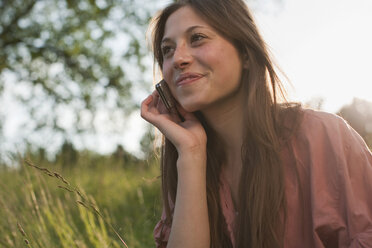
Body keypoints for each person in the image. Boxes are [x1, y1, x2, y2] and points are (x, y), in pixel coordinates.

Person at [140, 0, 372, 247]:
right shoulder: (185, 165)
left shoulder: (325, 137)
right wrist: (191, 154)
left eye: (197, 38)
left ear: (246, 54)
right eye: (167, 50)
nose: (178, 58)